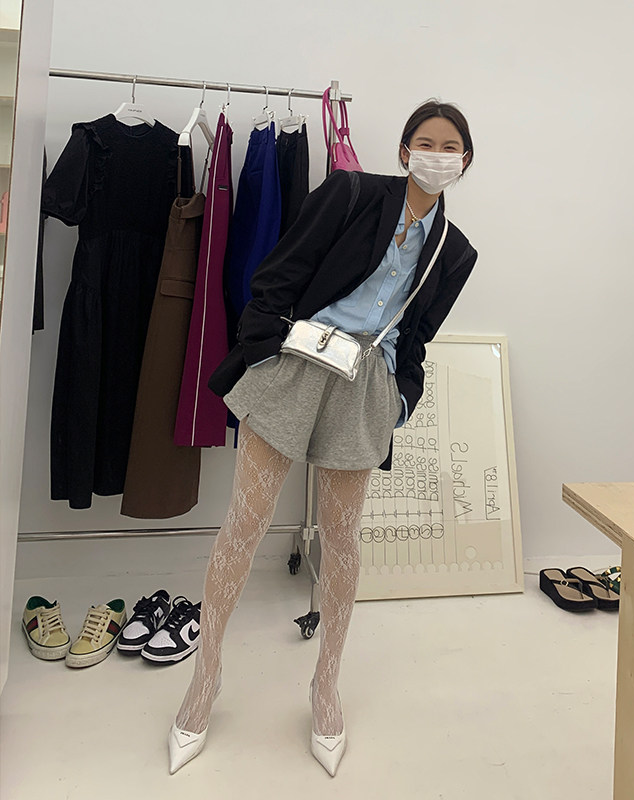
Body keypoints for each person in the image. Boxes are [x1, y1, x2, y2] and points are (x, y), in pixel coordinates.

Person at [168, 99, 478, 777]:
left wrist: (400, 398)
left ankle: (326, 685)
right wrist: (262, 353)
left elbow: (417, 337)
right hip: (296, 364)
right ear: (404, 151)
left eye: (450, 146)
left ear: (466, 161)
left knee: (342, 538)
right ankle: (205, 677)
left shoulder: (455, 251)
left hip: (365, 385)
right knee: (245, 523)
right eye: (425, 143)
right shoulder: (351, 192)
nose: (437, 155)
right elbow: (280, 272)